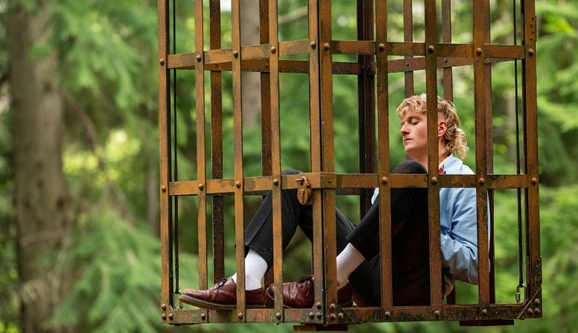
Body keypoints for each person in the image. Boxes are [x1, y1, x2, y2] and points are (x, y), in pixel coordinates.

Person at [179, 94, 478, 309]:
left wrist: (421, 234)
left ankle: (328, 278)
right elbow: (372, 239)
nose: (403, 129)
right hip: (367, 278)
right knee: (292, 181)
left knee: (408, 174)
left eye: (414, 121)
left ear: (440, 129)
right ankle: (246, 281)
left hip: (413, 286)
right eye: (403, 123)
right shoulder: (395, 179)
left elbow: (476, 266)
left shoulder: (464, 180)